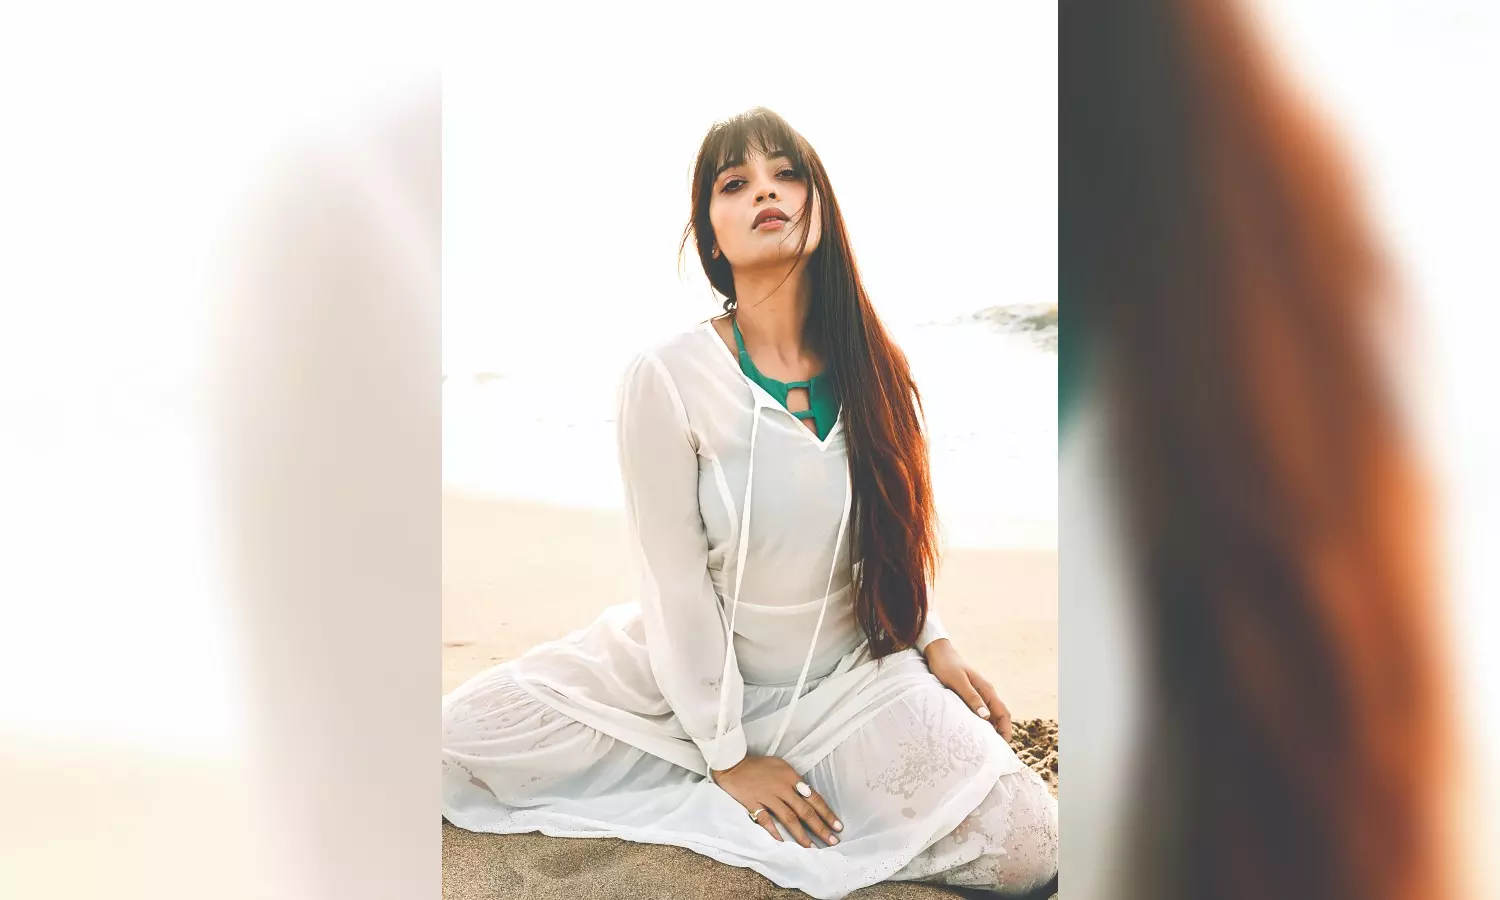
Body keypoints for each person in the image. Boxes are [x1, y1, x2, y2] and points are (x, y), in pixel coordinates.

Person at [441, 108, 1058, 898]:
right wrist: (728, 755)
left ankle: (807, 789)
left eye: (787, 174)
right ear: (710, 235)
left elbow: (886, 536)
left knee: (1030, 847)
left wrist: (930, 637)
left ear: (820, 206)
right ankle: (700, 784)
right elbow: (673, 581)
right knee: (446, 748)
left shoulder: (877, 368)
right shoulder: (668, 375)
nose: (766, 191)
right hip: (684, 682)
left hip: (849, 678)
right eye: (735, 183)